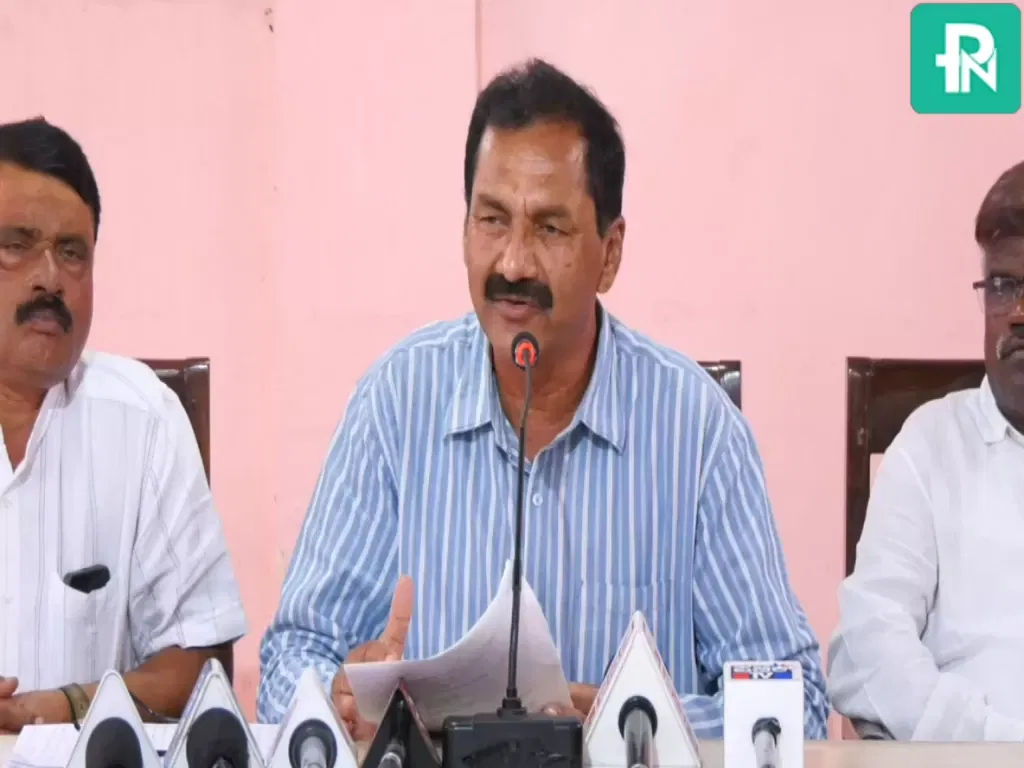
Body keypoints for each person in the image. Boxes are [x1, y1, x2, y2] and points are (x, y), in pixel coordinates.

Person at [258, 59, 828, 739]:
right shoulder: (396, 403)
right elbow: (291, 657)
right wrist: (337, 699)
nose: (513, 263)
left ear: (610, 254)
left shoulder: (697, 431)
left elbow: (794, 702)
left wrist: (631, 720)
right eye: (492, 220)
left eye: (550, 228)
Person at [0, 118, 247, 733]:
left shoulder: (145, 420)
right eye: (16, 244)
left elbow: (202, 663)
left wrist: (62, 709)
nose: (49, 277)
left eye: (72, 252)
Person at [828, 160, 1024, 741]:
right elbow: (869, 647)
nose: (1017, 313)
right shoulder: (930, 446)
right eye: (1002, 286)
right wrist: (993, 745)